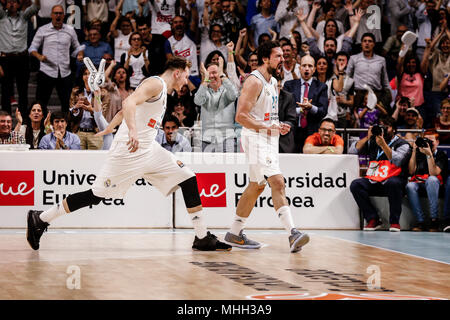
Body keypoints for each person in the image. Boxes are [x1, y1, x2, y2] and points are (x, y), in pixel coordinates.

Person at [27, 56, 231, 252]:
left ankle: (202, 237)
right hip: (129, 151)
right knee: (96, 195)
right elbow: (128, 103)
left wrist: (110, 128)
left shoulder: (162, 92)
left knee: (188, 179)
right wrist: (132, 131)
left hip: (149, 149)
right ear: (177, 73)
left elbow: (124, 111)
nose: (186, 81)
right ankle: (41, 218)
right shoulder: (156, 84)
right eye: (186, 76)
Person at [223, 40, 310, 253]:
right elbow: (241, 116)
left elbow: (265, 115)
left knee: (256, 186)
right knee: (277, 182)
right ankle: (293, 233)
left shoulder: (272, 81)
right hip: (255, 137)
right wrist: (268, 127)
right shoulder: (254, 81)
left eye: (283, 55)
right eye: (278, 56)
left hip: (268, 138)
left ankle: (234, 232)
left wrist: (277, 126)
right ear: (265, 59)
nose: (283, 59)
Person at [349, 116, 412, 232]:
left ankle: (394, 221)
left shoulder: (403, 144)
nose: (383, 130)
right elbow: (352, 151)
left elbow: (398, 161)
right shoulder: (373, 141)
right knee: (356, 184)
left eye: (386, 127)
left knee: (393, 183)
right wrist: (367, 137)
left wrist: (383, 145)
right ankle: (372, 218)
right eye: (381, 127)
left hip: (394, 181)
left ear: (393, 129)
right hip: (375, 180)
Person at [28, 4, 85, 113]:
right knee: (41, 104)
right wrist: (39, 56)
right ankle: (40, 128)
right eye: (56, 13)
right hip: (46, 71)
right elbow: (32, 48)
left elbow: (78, 47)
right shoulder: (43, 30)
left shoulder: (70, 30)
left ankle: (66, 127)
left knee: (67, 104)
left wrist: (80, 54)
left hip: (65, 71)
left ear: (64, 15)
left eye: (60, 13)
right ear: (51, 15)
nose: (58, 15)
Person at [0, 0, 40, 116]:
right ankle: (5, 118)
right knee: (5, 91)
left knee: (23, 91)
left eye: (14, 2)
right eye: (9, 2)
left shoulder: (24, 16)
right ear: (5, 4)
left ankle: (23, 120)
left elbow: (36, 6)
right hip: (5, 59)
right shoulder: (1, 16)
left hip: (22, 58)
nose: (12, 4)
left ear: (19, 4)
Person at [283, 54, 329, 153]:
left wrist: (311, 107)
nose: (307, 69)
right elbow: (284, 110)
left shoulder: (322, 87)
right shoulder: (289, 85)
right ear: (299, 68)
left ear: (314, 69)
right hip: (292, 131)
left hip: (312, 131)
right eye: (304, 66)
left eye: (310, 66)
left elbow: (323, 111)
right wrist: (300, 110)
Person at [406, 130, 447, 231]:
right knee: (410, 186)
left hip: (435, 185)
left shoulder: (441, 155)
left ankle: (434, 219)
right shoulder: (419, 153)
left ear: (437, 142)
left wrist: (429, 155)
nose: (428, 142)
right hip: (420, 183)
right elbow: (411, 171)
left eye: (431, 140)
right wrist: (414, 151)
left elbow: (434, 173)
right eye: (426, 139)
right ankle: (420, 221)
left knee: (432, 179)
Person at [194, 58, 238, 152]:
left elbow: (234, 95)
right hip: (207, 139)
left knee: (229, 167)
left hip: (227, 138)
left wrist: (222, 74)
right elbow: (197, 101)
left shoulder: (227, 89)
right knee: (206, 167)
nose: (211, 76)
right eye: (208, 73)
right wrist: (205, 80)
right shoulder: (204, 90)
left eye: (214, 72)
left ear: (221, 73)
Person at [347, 33, 392, 115]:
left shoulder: (381, 60)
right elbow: (347, 78)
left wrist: (389, 95)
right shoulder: (353, 58)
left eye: (370, 41)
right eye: (364, 41)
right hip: (358, 95)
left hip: (376, 95)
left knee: (375, 120)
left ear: (374, 44)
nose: (367, 43)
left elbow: (385, 81)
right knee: (357, 121)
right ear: (361, 44)